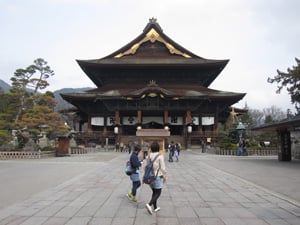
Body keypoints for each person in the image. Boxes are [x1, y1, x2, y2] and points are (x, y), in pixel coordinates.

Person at [145, 141, 167, 215]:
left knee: (154, 192)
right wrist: (164, 176)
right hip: (157, 176)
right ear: (158, 148)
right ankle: (149, 204)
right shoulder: (160, 156)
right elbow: (163, 168)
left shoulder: (148, 156)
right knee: (158, 192)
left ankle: (155, 207)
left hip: (150, 177)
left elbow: (146, 166)